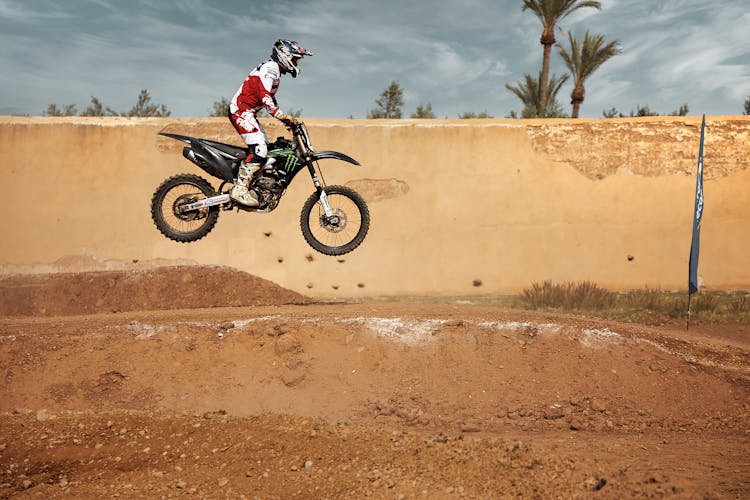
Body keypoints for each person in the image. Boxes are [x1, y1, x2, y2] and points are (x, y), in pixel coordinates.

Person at [228, 39, 313, 206]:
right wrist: (281, 115)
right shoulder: (270, 68)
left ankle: (257, 185)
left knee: (267, 150)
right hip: (240, 111)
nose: (296, 63)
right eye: (295, 59)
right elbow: (264, 96)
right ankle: (239, 189)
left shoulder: (274, 71)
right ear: (285, 56)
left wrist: (285, 119)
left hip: (247, 113)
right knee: (260, 149)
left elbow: (270, 98)